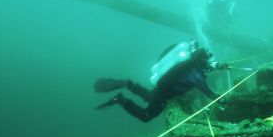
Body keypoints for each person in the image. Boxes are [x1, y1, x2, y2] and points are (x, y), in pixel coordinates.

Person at [94, 41, 228, 122]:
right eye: (208, 62)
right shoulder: (196, 75)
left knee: (149, 96)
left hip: (162, 87)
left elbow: (207, 66)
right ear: (202, 61)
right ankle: (120, 99)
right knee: (146, 116)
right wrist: (220, 100)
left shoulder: (189, 63)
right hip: (164, 95)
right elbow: (207, 91)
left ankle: (128, 84)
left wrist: (219, 66)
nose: (209, 65)